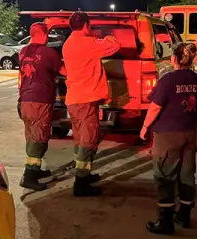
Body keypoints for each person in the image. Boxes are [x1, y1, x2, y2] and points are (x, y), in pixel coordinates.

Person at [140, 42, 197, 234]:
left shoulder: (168, 80)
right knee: (186, 173)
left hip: (168, 134)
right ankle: (184, 214)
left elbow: (155, 107)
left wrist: (145, 127)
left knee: (164, 175)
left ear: (174, 59)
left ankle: (165, 221)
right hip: (190, 133)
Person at [61, 11, 121, 197]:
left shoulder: (68, 43)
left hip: (74, 99)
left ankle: (84, 174)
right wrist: (106, 34)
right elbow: (114, 46)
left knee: (80, 138)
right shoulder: (88, 43)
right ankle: (81, 182)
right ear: (86, 26)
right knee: (89, 138)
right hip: (86, 100)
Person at [18, 22, 63, 192]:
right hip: (40, 100)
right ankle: (29, 176)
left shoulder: (23, 51)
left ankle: (35, 170)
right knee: (39, 137)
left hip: (25, 99)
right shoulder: (49, 53)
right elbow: (64, 71)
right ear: (44, 34)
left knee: (31, 135)